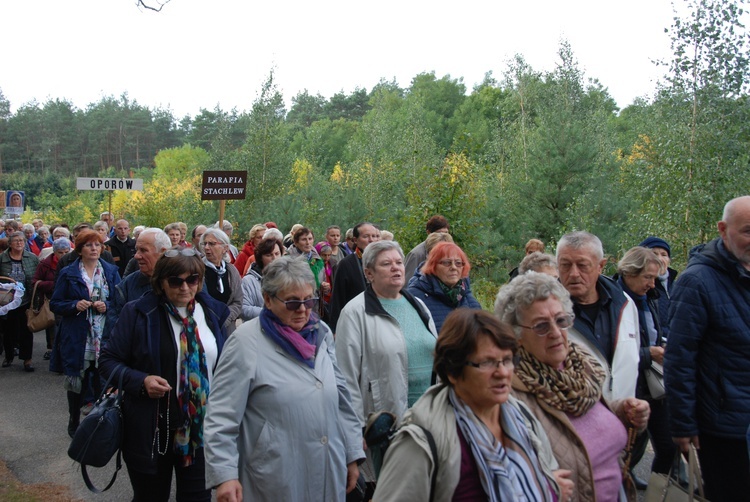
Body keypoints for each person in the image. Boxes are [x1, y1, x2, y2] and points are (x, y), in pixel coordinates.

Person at [204, 257, 365, 501]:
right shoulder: (245, 343)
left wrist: (352, 453)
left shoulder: (321, 332)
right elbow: (221, 415)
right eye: (292, 302)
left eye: (309, 300)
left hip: (327, 465)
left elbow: (341, 396)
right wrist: (225, 475)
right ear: (268, 300)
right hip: (274, 473)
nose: (303, 309)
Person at [374, 309, 567, 502]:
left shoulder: (522, 418)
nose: (502, 373)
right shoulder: (422, 440)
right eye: (486, 363)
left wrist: (550, 489)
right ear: (453, 371)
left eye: (507, 360)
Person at [495, 271, 650, 501]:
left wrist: (621, 411)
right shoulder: (509, 395)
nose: (556, 333)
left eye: (561, 320)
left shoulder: (582, 365)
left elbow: (586, 420)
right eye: (540, 326)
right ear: (516, 334)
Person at [99, 247, 229, 502]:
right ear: (160, 283)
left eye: (192, 280)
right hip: (152, 429)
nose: (185, 287)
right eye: (175, 281)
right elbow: (108, 360)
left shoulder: (212, 312)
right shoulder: (138, 312)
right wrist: (141, 381)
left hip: (200, 430)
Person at [665, 195, 750, 501]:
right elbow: (679, 358)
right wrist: (683, 424)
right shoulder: (697, 282)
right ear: (723, 229)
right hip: (724, 428)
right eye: (748, 231)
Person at [335, 240, 438, 488]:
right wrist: (354, 431)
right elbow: (345, 378)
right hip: (386, 422)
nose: (396, 268)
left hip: (428, 417)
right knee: (396, 489)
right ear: (368, 273)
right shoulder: (355, 313)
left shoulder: (418, 306)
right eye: (386, 264)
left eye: (399, 262)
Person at [50, 229, 121, 437]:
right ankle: (74, 419)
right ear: (79, 249)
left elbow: (119, 302)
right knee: (76, 381)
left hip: (104, 334)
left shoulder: (110, 271)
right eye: (89, 245)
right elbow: (56, 303)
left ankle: (98, 421)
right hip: (78, 335)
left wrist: (106, 305)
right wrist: (74, 304)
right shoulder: (69, 273)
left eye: (97, 245)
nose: (94, 249)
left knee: (102, 381)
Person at [556, 231, 640, 402]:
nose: (573, 273)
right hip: (572, 423)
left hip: (624, 419)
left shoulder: (625, 305)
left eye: (582, 265)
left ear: (600, 266)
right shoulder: (544, 313)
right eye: (565, 265)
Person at [615, 247, 675, 475]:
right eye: (647, 277)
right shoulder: (614, 302)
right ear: (630, 272)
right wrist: (649, 353)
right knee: (627, 450)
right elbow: (616, 352)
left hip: (654, 387)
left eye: (654, 278)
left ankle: (655, 491)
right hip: (631, 389)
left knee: (668, 446)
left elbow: (653, 333)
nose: (652, 284)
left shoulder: (650, 299)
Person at [105, 228, 172, 341]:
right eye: (136, 250)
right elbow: (112, 335)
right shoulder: (126, 286)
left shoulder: (187, 282)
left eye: (143, 250)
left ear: (163, 252)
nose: (136, 256)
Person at [407, 242, 482, 333]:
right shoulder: (415, 297)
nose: (454, 267)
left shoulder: (468, 299)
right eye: (447, 263)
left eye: (458, 263)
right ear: (433, 266)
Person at [328, 222, 381, 331]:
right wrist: (335, 329)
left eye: (375, 236)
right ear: (355, 240)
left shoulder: (385, 261)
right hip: (355, 323)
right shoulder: (346, 264)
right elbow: (338, 298)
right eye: (366, 236)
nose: (371, 240)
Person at [0, 231, 40, 371]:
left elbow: (37, 276)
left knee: (26, 330)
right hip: (7, 301)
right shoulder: (2, 258)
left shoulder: (32, 258)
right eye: (16, 240)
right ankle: (9, 356)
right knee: (8, 330)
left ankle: (27, 360)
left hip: (26, 300)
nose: (19, 243)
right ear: (10, 243)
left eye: (21, 240)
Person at [32, 237, 71, 361]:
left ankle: (65, 353)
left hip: (69, 300)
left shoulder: (74, 262)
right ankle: (54, 351)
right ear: (54, 252)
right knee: (54, 327)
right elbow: (35, 282)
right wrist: (53, 284)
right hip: (51, 300)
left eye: (66, 252)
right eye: (60, 252)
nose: (64, 255)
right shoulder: (45, 264)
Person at [200, 228, 242, 334]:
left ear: (225, 248)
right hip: (204, 328)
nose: (206, 247)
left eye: (212, 244)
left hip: (227, 329)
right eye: (205, 244)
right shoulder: (198, 270)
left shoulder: (231, 271)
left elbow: (237, 301)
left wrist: (225, 319)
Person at [638, 237, 677, 339]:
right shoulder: (642, 288)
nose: (659, 259)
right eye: (654, 254)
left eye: (664, 255)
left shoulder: (677, 287)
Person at [240, 238, 284, 321]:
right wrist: (271, 313)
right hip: (258, 328)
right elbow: (243, 309)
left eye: (277, 254)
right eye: (269, 255)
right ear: (260, 257)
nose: (274, 258)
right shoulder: (249, 281)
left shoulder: (289, 278)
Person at [287, 227, 330, 300]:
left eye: (310, 239)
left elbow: (322, 281)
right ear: (296, 242)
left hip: (315, 304)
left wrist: (324, 287)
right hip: (297, 303)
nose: (308, 243)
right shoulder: (289, 261)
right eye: (304, 239)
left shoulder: (317, 260)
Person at [404, 215, 450, 281]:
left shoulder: (450, 252)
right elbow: (407, 283)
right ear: (429, 233)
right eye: (439, 233)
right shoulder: (416, 254)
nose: (443, 236)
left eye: (446, 233)